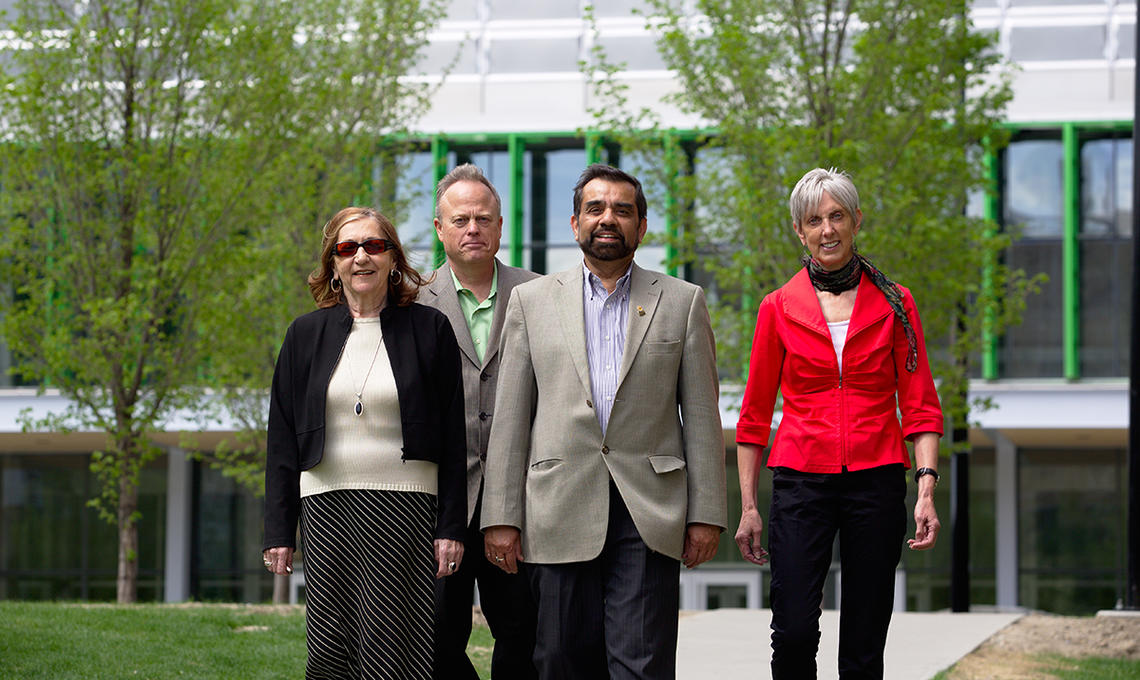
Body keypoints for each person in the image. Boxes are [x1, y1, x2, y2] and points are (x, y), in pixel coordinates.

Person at [481, 164, 727, 679]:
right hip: (556, 507)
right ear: (575, 224)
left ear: (642, 225)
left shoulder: (683, 301)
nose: (608, 219)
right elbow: (511, 416)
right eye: (595, 208)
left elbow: (702, 417)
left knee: (643, 664)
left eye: (622, 209)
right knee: (559, 662)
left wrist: (706, 513)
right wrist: (501, 515)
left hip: (649, 510)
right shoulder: (531, 301)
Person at [734, 167, 944, 680]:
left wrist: (925, 488)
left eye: (837, 216)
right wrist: (747, 506)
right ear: (799, 232)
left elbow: (920, 404)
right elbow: (755, 416)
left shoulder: (896, 303)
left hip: (875, 479)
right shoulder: (778, 308)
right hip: (801, 482)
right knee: (795, 632)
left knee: (865, 639)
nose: (827, 229)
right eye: (814, 220)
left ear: (856, 221)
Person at [262, 206, 466, 680]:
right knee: (331, 645)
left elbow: (455, 441)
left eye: (374, 246)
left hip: (406, 512)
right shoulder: (303, 335)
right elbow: (281, 440)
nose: (361, 257)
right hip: (326, 510)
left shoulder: (430, 330)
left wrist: (451, 527)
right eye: (347, 248)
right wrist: (278, 530)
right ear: (333, 263)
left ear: (393, 258)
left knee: (396, 645)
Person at [418, 163, 539, 679]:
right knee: (434, 638)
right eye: (461, 219)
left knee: (526, 635)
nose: (473, 229)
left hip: (524, 499)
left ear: (500, 226)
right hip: (438, 502)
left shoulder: (540, 294)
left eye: (484, 218)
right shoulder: (411, 300)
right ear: (440, 228)